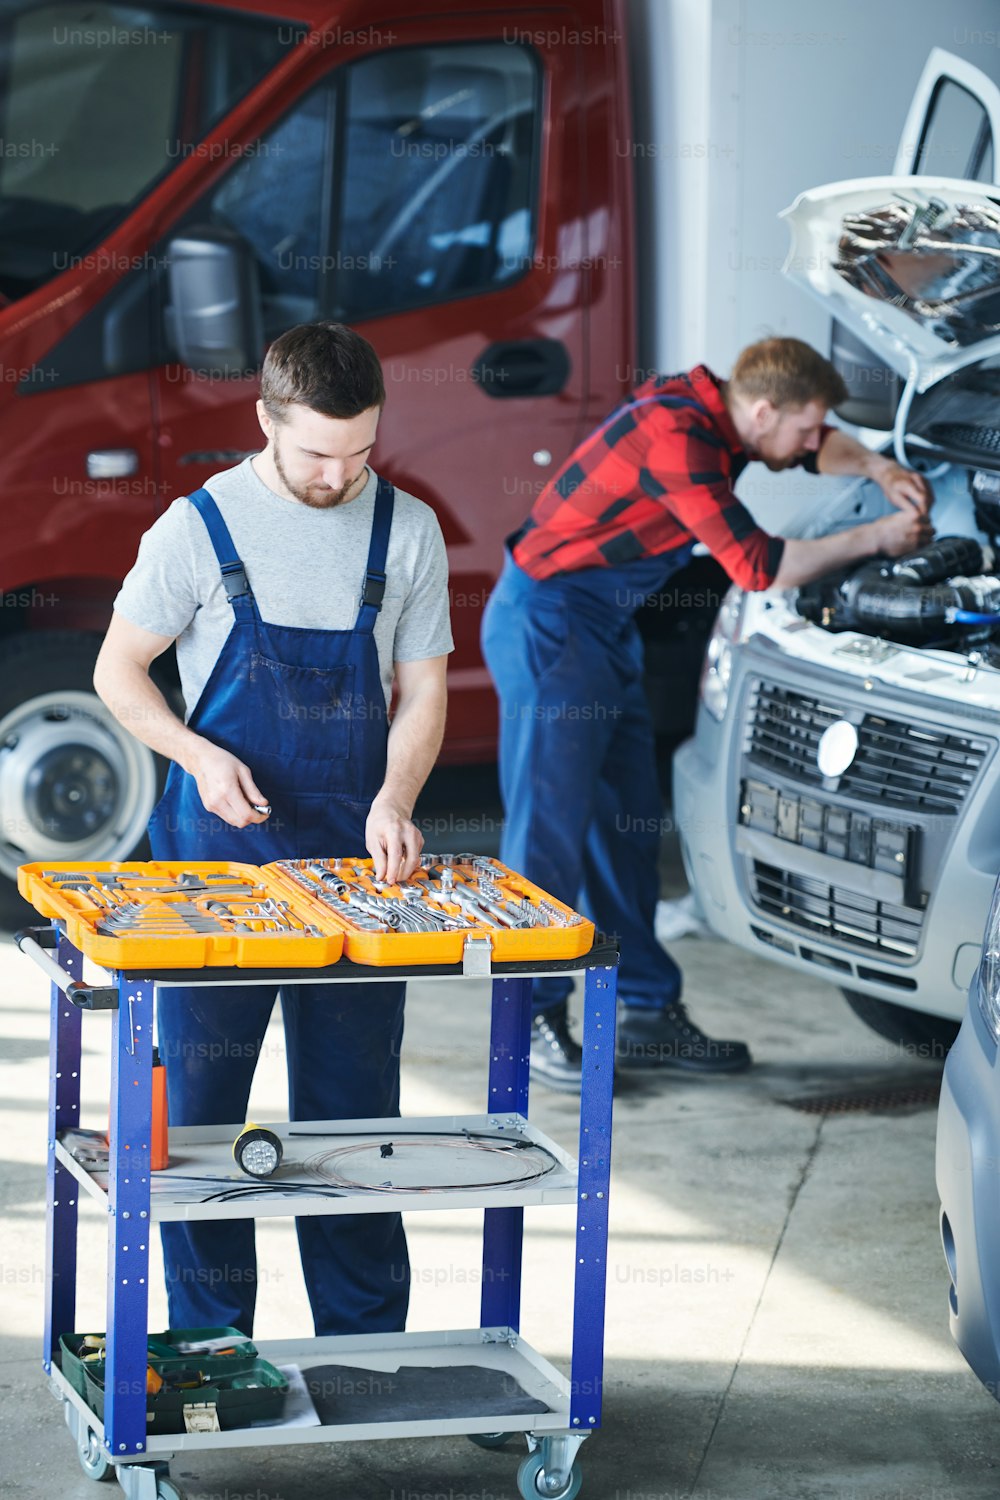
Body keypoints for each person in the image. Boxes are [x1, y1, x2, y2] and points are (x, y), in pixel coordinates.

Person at [93, 322, 452, 1335]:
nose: (340, 476)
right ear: (264, 421)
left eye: (360, 453)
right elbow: (117, 673)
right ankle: (213, 1354)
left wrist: (396, 799)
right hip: (218, 875)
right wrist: (198, 756)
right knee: (201, 1129)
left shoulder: (407, 530)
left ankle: (371, 1353)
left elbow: (423, 693)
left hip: (355, 873)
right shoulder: (195, 529)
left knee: (352, 1126)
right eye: (314, 455)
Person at [481, 337, 933, 1092]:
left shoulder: (723, 414)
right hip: (549, 625)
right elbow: (760, 566)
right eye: (808, 426)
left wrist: (880, 468)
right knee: (548, 836)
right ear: (763, 410)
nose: (817, 442)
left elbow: (813, 451)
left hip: (601, 628)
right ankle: (527, 1017)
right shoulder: (679, 438)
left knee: (625, 826)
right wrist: (878, 536)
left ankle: (646, 1011)